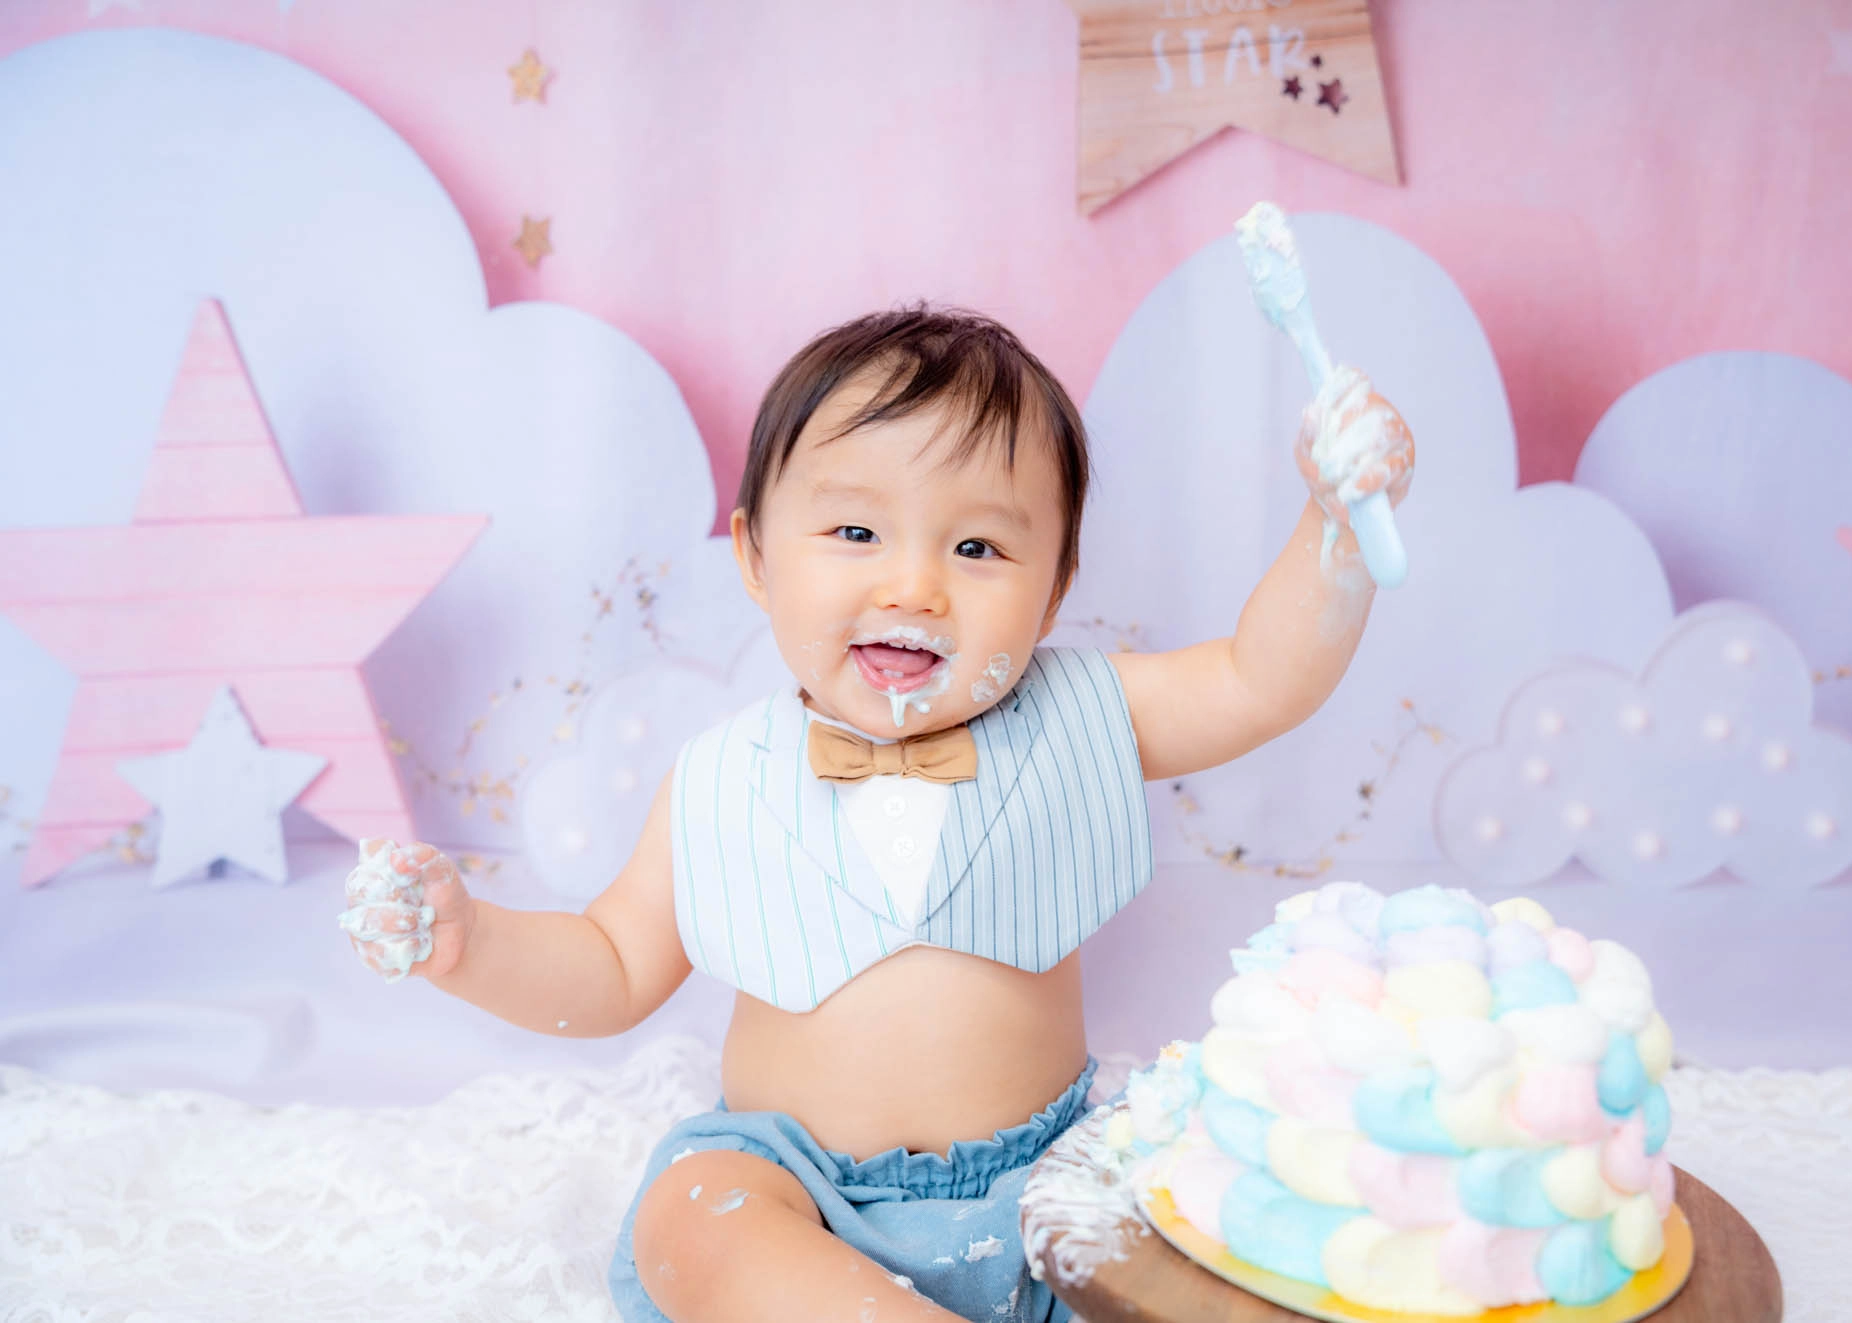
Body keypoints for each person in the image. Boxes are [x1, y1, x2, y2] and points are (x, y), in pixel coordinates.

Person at [341, 304, 1413, 1322]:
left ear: (1052, 588)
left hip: (1047, 1173)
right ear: (757, 557)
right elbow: (613, 967)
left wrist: (1336, 524)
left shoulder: (1092, 712)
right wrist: (470, 942)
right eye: (856, 530)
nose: (913, 587)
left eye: (977, 548)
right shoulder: (720, 777)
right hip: (796, 1183)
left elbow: (1259, 680)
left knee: (1217, 1208)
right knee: (693, 1223)